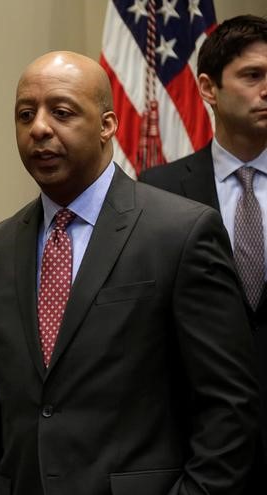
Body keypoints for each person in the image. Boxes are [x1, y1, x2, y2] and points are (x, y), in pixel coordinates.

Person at [0, 51, 260, 495]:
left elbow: (229, 410)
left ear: (107, 125)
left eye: (61, 112)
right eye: (25, 114)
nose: (39, 128)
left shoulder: (180, 233)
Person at [139, 16, 267, 484]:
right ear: (209, 89)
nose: (266, 89)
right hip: (197, 452)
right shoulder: (158, 191)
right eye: (253, 76)